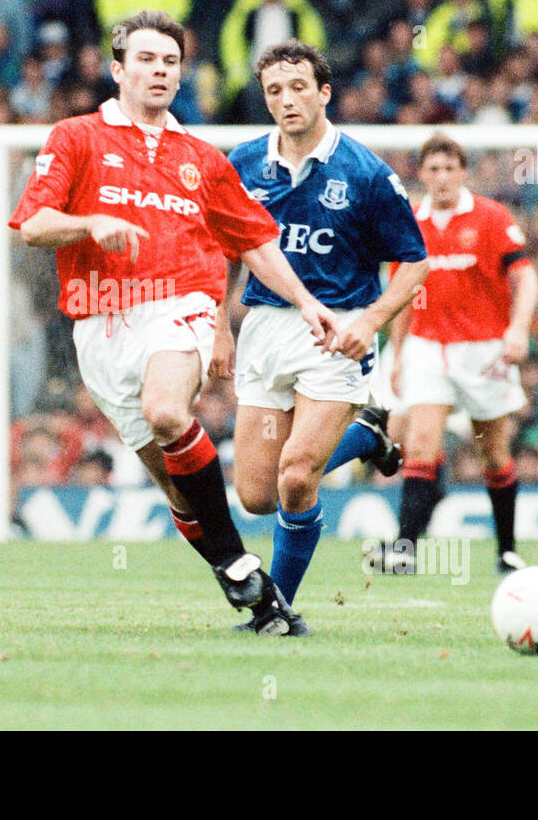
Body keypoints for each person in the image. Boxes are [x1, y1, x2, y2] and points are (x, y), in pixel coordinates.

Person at [9, 9, 342, 632]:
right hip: (100, 327)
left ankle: (239, 569)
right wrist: (90, 224)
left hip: (178, 303)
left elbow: (255, 245)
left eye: (169, 62)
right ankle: (244, 576)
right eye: (146, 60)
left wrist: (306, 302)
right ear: (118, 70)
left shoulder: (202, 158)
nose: (159, 71)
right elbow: (33, 226)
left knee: (168, 411)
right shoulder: (76, 137)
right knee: (178, 492)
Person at [222, 41, 428, 634]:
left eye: (297, 88)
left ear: (324, 92)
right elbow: (224, 249)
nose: (286, 100)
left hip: (336, 333)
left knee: (296, 475)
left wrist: (369, 323)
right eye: (274, 91)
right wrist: (218, 330)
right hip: (263, 330)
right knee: (258, 497)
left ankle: (275, 612)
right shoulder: (242, 164)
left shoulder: (365, 173)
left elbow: (415, 264)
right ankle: (366, 437)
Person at [374, 132, 538, 575]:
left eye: (450, 168)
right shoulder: (410, 221)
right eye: (433, 169)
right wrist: (398, 352)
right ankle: (405, 549)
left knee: (494, 451)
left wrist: (518, 329)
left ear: (463, 172)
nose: (442, 177)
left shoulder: (490, 216)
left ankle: (506, 550)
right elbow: (402, 293)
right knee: (421, 439)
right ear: (422, 174)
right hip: (428, 348)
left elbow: (526, 278)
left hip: (484, 350)